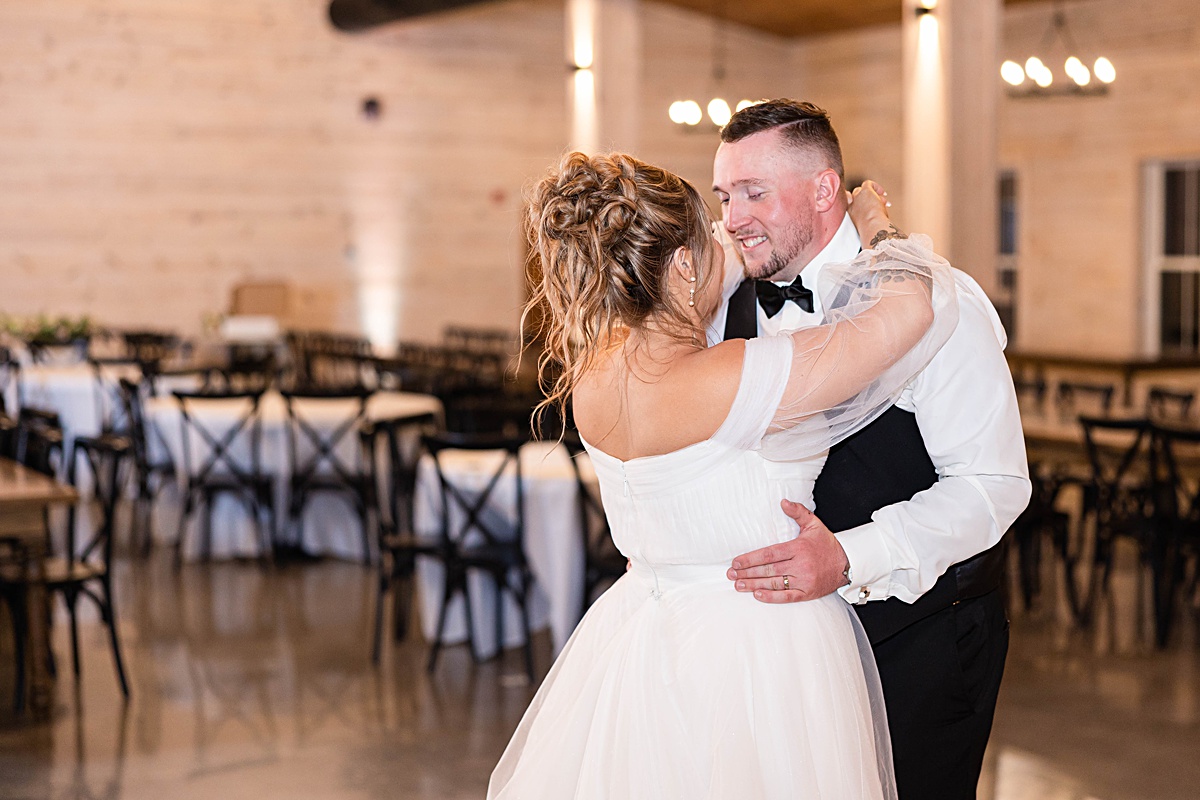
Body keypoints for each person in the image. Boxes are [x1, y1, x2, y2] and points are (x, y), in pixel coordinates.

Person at [488, 148, 960, 799]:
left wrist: (712, 256)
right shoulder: (736, 374)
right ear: (681, 263)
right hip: (757, 646)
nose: (725, 242)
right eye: (707, 238)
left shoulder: (595, 375)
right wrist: (879, 227)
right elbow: (908, 313)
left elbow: (688, 294)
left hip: (642, 640)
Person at [714, 100, 1031, 800]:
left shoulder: (941, 301)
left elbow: (993, 482)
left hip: (916, 640)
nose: (733, 217)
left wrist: (852, 555)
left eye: (754, 192)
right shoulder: (719, 305)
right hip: (771, 649)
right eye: (725, 195)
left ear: (826, 190)